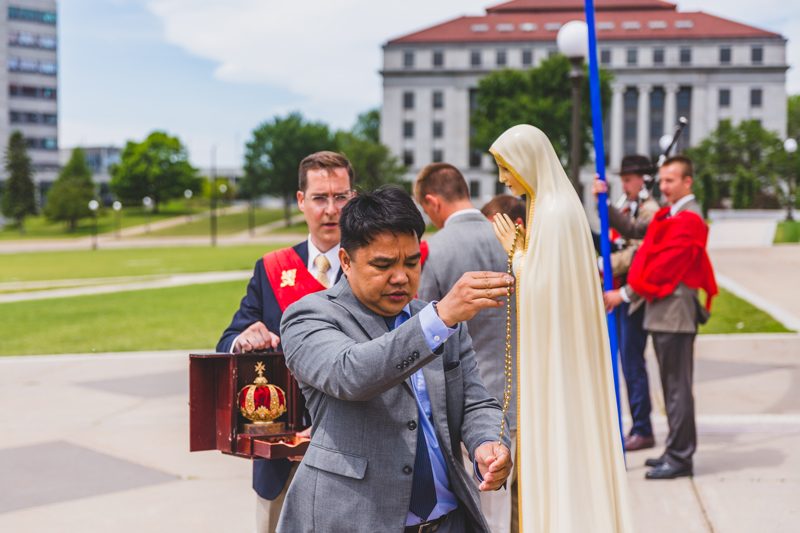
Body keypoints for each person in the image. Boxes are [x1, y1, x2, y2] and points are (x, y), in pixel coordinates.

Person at [278, 186, 513, 533]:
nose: (401, 276)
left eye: (412, 261)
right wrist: (440, 318)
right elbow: (351, 374)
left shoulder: (436, 320)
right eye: (383, 264)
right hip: (352, 520)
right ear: (346, 260)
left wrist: (489, 444)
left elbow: (476, 402)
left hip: (448, 521)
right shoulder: (309, 316)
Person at [490, 125, 633, 533]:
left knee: (567, 446)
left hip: (562, 361)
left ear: (527, 161)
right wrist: (524, 252)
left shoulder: (554, 211)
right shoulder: (544, 204)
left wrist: (515, 254)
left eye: (505, 167)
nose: (503, 178)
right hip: (560, 354)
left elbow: (544, 288)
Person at [216, 151, 355, 533]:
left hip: (355, 457)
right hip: (280, 459)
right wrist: (242, 340)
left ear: (353, 198)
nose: (331, 210)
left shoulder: (372, 266)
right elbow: (227, 340)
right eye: (320, 198)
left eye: (340, 197)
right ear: (300, 201)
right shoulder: (272, 268)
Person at [415, 163, 519, 533]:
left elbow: (419, 329)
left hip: (458, 396)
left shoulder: (433, 249)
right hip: (515, 388)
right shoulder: (512, 242)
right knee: (499, 508)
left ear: (432, 201)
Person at [600, 155, 717, 480]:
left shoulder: (688, 218)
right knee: (671, 388)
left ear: (687, 182)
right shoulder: (672, 213)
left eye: (670, 181)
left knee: (677, 389)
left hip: (675, 314)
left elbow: (660, 267)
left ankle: (680, 457)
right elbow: (642, 239)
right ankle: (674, 450)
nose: (663, 187)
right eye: (662, 180)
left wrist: (623, 294)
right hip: (664, 313)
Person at [591, 155, 661, 452]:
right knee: (624, 363)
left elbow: (637, 253)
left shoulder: (650, 210)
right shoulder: (628, 206)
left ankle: (643, 428)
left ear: (644, 180)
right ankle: (636, 425)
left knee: (632, 364)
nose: (624, 183)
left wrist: (600, 263)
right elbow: (616, 238)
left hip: (634, 295)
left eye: (629, 178)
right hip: (618, 293)